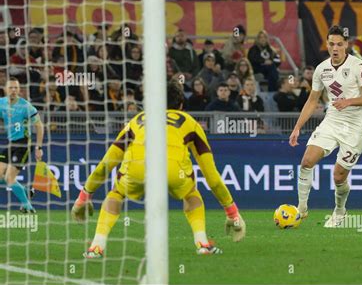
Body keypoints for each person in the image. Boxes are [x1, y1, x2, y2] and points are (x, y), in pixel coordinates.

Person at [73, 86, 246, 257]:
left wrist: (83, 197)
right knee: (191, 194)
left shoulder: (137, 120)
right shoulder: (190, 122)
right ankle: (203, 244)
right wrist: (232, 213)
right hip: (174, 171)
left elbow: (106, 164)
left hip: (137, 169)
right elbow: (212, 178)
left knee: (116, 193)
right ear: (180, 105)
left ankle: (96, 247)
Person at [289, 25, 362, 227]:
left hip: (355, 127)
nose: (335, 48)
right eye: (331, 44)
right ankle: (301, 209)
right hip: (332, 120)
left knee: (338, 176)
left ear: (346, 44)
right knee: (307, 161)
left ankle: (340, 211)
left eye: (339, 44)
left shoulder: (359, 66)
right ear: (326, 45)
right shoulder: (321, 69)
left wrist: (348, 102)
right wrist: (297, 127)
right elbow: (312, 101)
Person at [0, 77, 44, 213]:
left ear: (19, 90)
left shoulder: (25, 106)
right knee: (1, 176)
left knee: (9, 178)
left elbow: (39, 126)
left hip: (23, 144)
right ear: (5, 89)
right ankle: (26, 191)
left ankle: (27, 206)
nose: (13, 90)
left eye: (16, 88)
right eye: (11, 88)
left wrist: (38, 147)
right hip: (10, 143)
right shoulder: (1, 103)